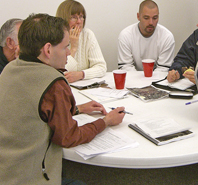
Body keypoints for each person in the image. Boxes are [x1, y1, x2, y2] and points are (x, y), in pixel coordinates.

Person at [0, 13, 125, 185]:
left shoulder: (10, 69)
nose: (68, 52)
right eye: (66, 47)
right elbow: (68, 137)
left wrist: (78, 108)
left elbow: (31, 108)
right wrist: (105, 121)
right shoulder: (54, 84)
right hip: (30, 177)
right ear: (48, 49)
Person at [56, 0, 107, 83]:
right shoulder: (55, 37)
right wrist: (74, 48)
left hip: (84, 85)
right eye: (73, 17)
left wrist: (81, 74)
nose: (79, 21)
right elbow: (60, 72)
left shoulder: (87, 34)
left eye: (81, 17)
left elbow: (101, 67)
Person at [117, 0, 175, 72]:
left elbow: (163, 69)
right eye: (146, 18)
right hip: (133, 81)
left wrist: (150, 82)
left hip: (157, 80)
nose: (151, 22)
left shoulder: (167, 37)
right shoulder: (125, 35)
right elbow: (126, 67)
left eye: (155, 18)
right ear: (138, 16)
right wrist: (140, 81)